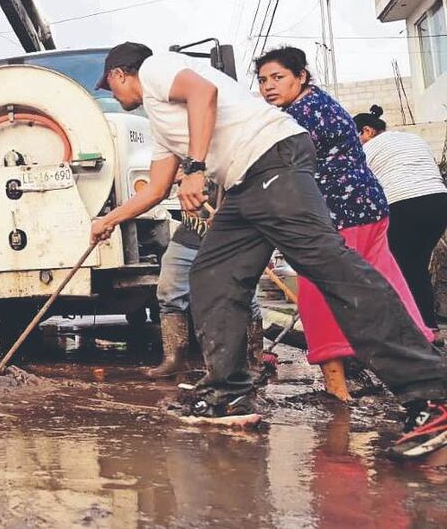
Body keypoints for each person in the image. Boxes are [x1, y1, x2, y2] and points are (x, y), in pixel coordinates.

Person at [89, 42, 446, 460]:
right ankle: (227, 394)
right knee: (213, 274)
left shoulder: (156, 68)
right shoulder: (162, 122)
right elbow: (154, 189)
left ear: (118, 73)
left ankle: (430, 395)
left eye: (111, 88)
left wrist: (197, 167)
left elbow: (205, 93)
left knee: (332, 268)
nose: (115, 97)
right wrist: (108, 221)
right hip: (245, 183)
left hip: (272, 159)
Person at [256, 47, 434, 397]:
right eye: (262, 80)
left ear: (301, 76)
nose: (268, 87)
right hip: (370, 206)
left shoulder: (300, 115)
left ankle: (337, 386)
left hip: (337, 215)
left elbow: (279, 164)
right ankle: (425, 367)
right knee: (386, 285)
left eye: (278, 77)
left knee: (319, 291)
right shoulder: (325, 103)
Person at [149, 177, 264, 379]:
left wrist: (228, 213)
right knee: (169, 294)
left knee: (242, 297)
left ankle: (253, 360)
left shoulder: (231, 150)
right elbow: (160, 182)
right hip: (189, 233)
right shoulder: (184, 154)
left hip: (230, 235)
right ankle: (174, 360)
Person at [355, 105, 447, 339]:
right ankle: (429, 327)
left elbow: (362, 189)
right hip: (438, 203)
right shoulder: (413, 139)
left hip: (403, 203)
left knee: (398, 266)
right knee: (415, 265)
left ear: (367, 131)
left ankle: (412, 330)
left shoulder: (368, 149)